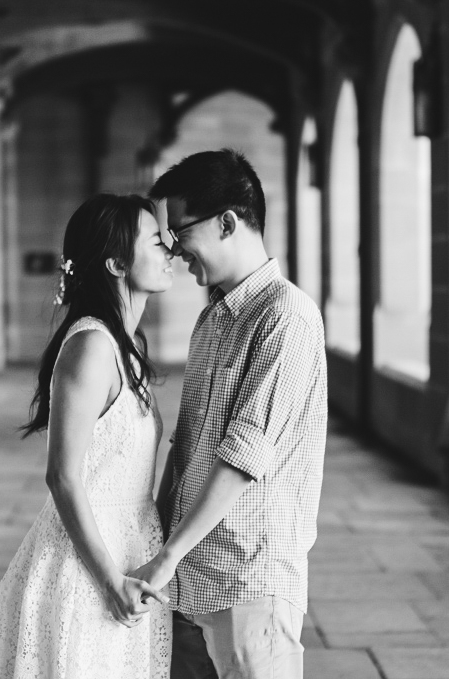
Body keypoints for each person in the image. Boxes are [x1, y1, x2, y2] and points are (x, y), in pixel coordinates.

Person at [131, 150, 328, 679]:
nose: (174, 252)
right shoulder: (214, 317)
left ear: (226, 222)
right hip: (189, 575)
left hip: (249, 578)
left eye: (181, 234)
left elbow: (242, 457)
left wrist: (166, 556)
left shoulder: (286, 316)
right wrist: (159, 541)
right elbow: (189, 442)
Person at [0, 193, 175, 679]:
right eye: (155, 239)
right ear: (116, 263)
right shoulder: (91, 346)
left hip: (130, 546)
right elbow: (63, 477)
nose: (170, 248)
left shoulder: (126, 345)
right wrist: (112, 582)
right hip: (86, 567)